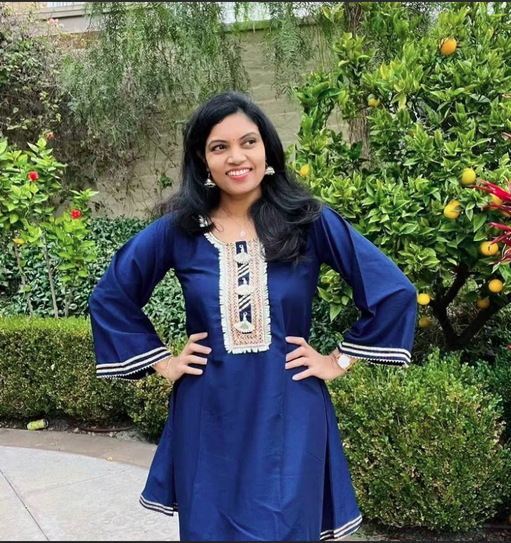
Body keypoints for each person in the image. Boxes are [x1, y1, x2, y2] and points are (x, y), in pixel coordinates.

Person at [88, 91, 417, 542]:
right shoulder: (180, 231)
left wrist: (338, 360)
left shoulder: (308, 222)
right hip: (209, 414)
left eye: (248, 142)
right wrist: (163, 361)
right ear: (202, 160)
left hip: (290, 409)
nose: (237, 157)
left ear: (267, 150)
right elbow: (111, 297)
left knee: (287, 527)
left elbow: (394, 291)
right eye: (219, 147)